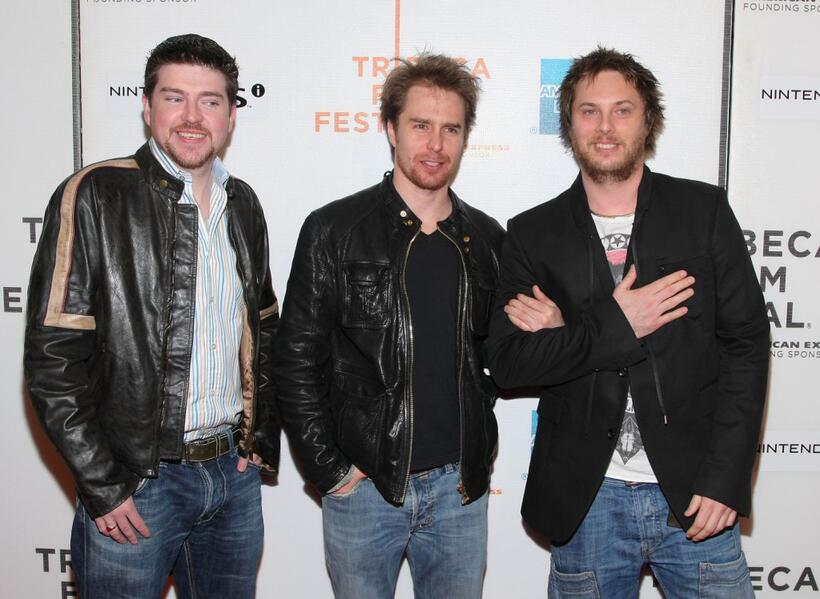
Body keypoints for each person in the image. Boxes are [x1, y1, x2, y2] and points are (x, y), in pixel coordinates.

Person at [487, 46, 769, 597]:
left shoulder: (702, 213)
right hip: (585, 503)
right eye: (589, 110)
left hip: (694, 496)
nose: (606, 126)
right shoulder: (532, 232)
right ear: (568, 122)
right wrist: (614, 324)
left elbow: (746, 347)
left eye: (622, 109)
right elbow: (505, 363)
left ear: (648, 120)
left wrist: (727, 479)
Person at [24, 34, 279, 598]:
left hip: (232, 481)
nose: (192, 117)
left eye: (210, 101)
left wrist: (255, 440)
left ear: (231, 115)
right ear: (147, 106)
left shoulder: (246, 205)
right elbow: (52, 360)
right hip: (139, 483)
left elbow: (263, 331)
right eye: (174, 97)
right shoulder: (94, 194)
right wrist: (103, 484)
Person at [275, 53, 503, 599]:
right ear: (390, 129)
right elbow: (295, 361)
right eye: (421, 126)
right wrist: (331, 472)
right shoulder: (334, 229)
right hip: (366, 489)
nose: (436, 144)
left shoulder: (489, 240)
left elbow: (503, 357)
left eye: (451, 129)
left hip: (460, 492)